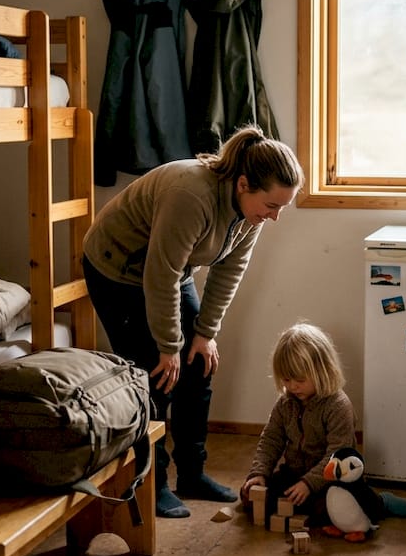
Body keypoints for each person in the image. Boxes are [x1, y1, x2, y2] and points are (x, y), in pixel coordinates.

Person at [82, 125, 303, 519]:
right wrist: (168, 347)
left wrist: (205, 333)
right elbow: (159, 275)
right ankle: (152, 485)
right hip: (118, 270)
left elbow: (228, 271)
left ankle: (193, 474)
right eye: (272, 206)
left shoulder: (251, 214)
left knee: (199, 365)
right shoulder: (191, 194)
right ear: (243, 185)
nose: (275, 217)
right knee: (154, 377)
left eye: (282, 208)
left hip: (169, 270)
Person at [241, 322, 357, 522]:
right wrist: (258, 473)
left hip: (330, 479)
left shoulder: (338, 405)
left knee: (331, 509)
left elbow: (337, 455)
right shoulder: (286, 403)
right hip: (294, 474)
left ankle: (379, 502)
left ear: (322, 371)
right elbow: (271, 440)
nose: (292, 386)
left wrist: (309, 483)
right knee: (251, 496)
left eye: (300, 380)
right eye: (286, 380)